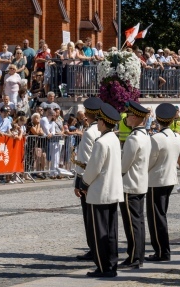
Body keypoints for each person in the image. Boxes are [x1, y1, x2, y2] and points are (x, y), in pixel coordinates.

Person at [80, 103, 123, 278]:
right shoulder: (113, 138)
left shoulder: (101, 142)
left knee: (99, 232)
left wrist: (83, 183)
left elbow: (93, 168)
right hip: (113, 191)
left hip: (100, 192)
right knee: (111, 231)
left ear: (103, 122)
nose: (96, 123)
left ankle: (103, 266)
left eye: (98, 120)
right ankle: (111, 264)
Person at [146, 103, 180, 262]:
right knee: (161, 215)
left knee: (156, 218)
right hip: (170, 179)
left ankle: (161, 250)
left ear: (158, 119)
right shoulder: (176, 136)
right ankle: (162, 249)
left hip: (156, 180)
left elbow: (149, 162)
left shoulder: (156, 138)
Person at [119, 101, 152, 269]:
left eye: (129, 115)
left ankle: (133, 257)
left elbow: (124, 165)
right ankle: (139, 255)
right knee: (138, 222)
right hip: (140, 182)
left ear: (135, 117)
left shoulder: (133, 138)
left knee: (132, 223)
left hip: (129, 184)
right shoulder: (145, 135)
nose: (127, 118)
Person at [74, 97, 102, 262]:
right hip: (101, 180)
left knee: (90, 218)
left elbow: (84, 162)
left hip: (89, 181)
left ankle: (94, 248)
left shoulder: (89, 132)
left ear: (87, 115)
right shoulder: (104, 130)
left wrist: (79, 184)